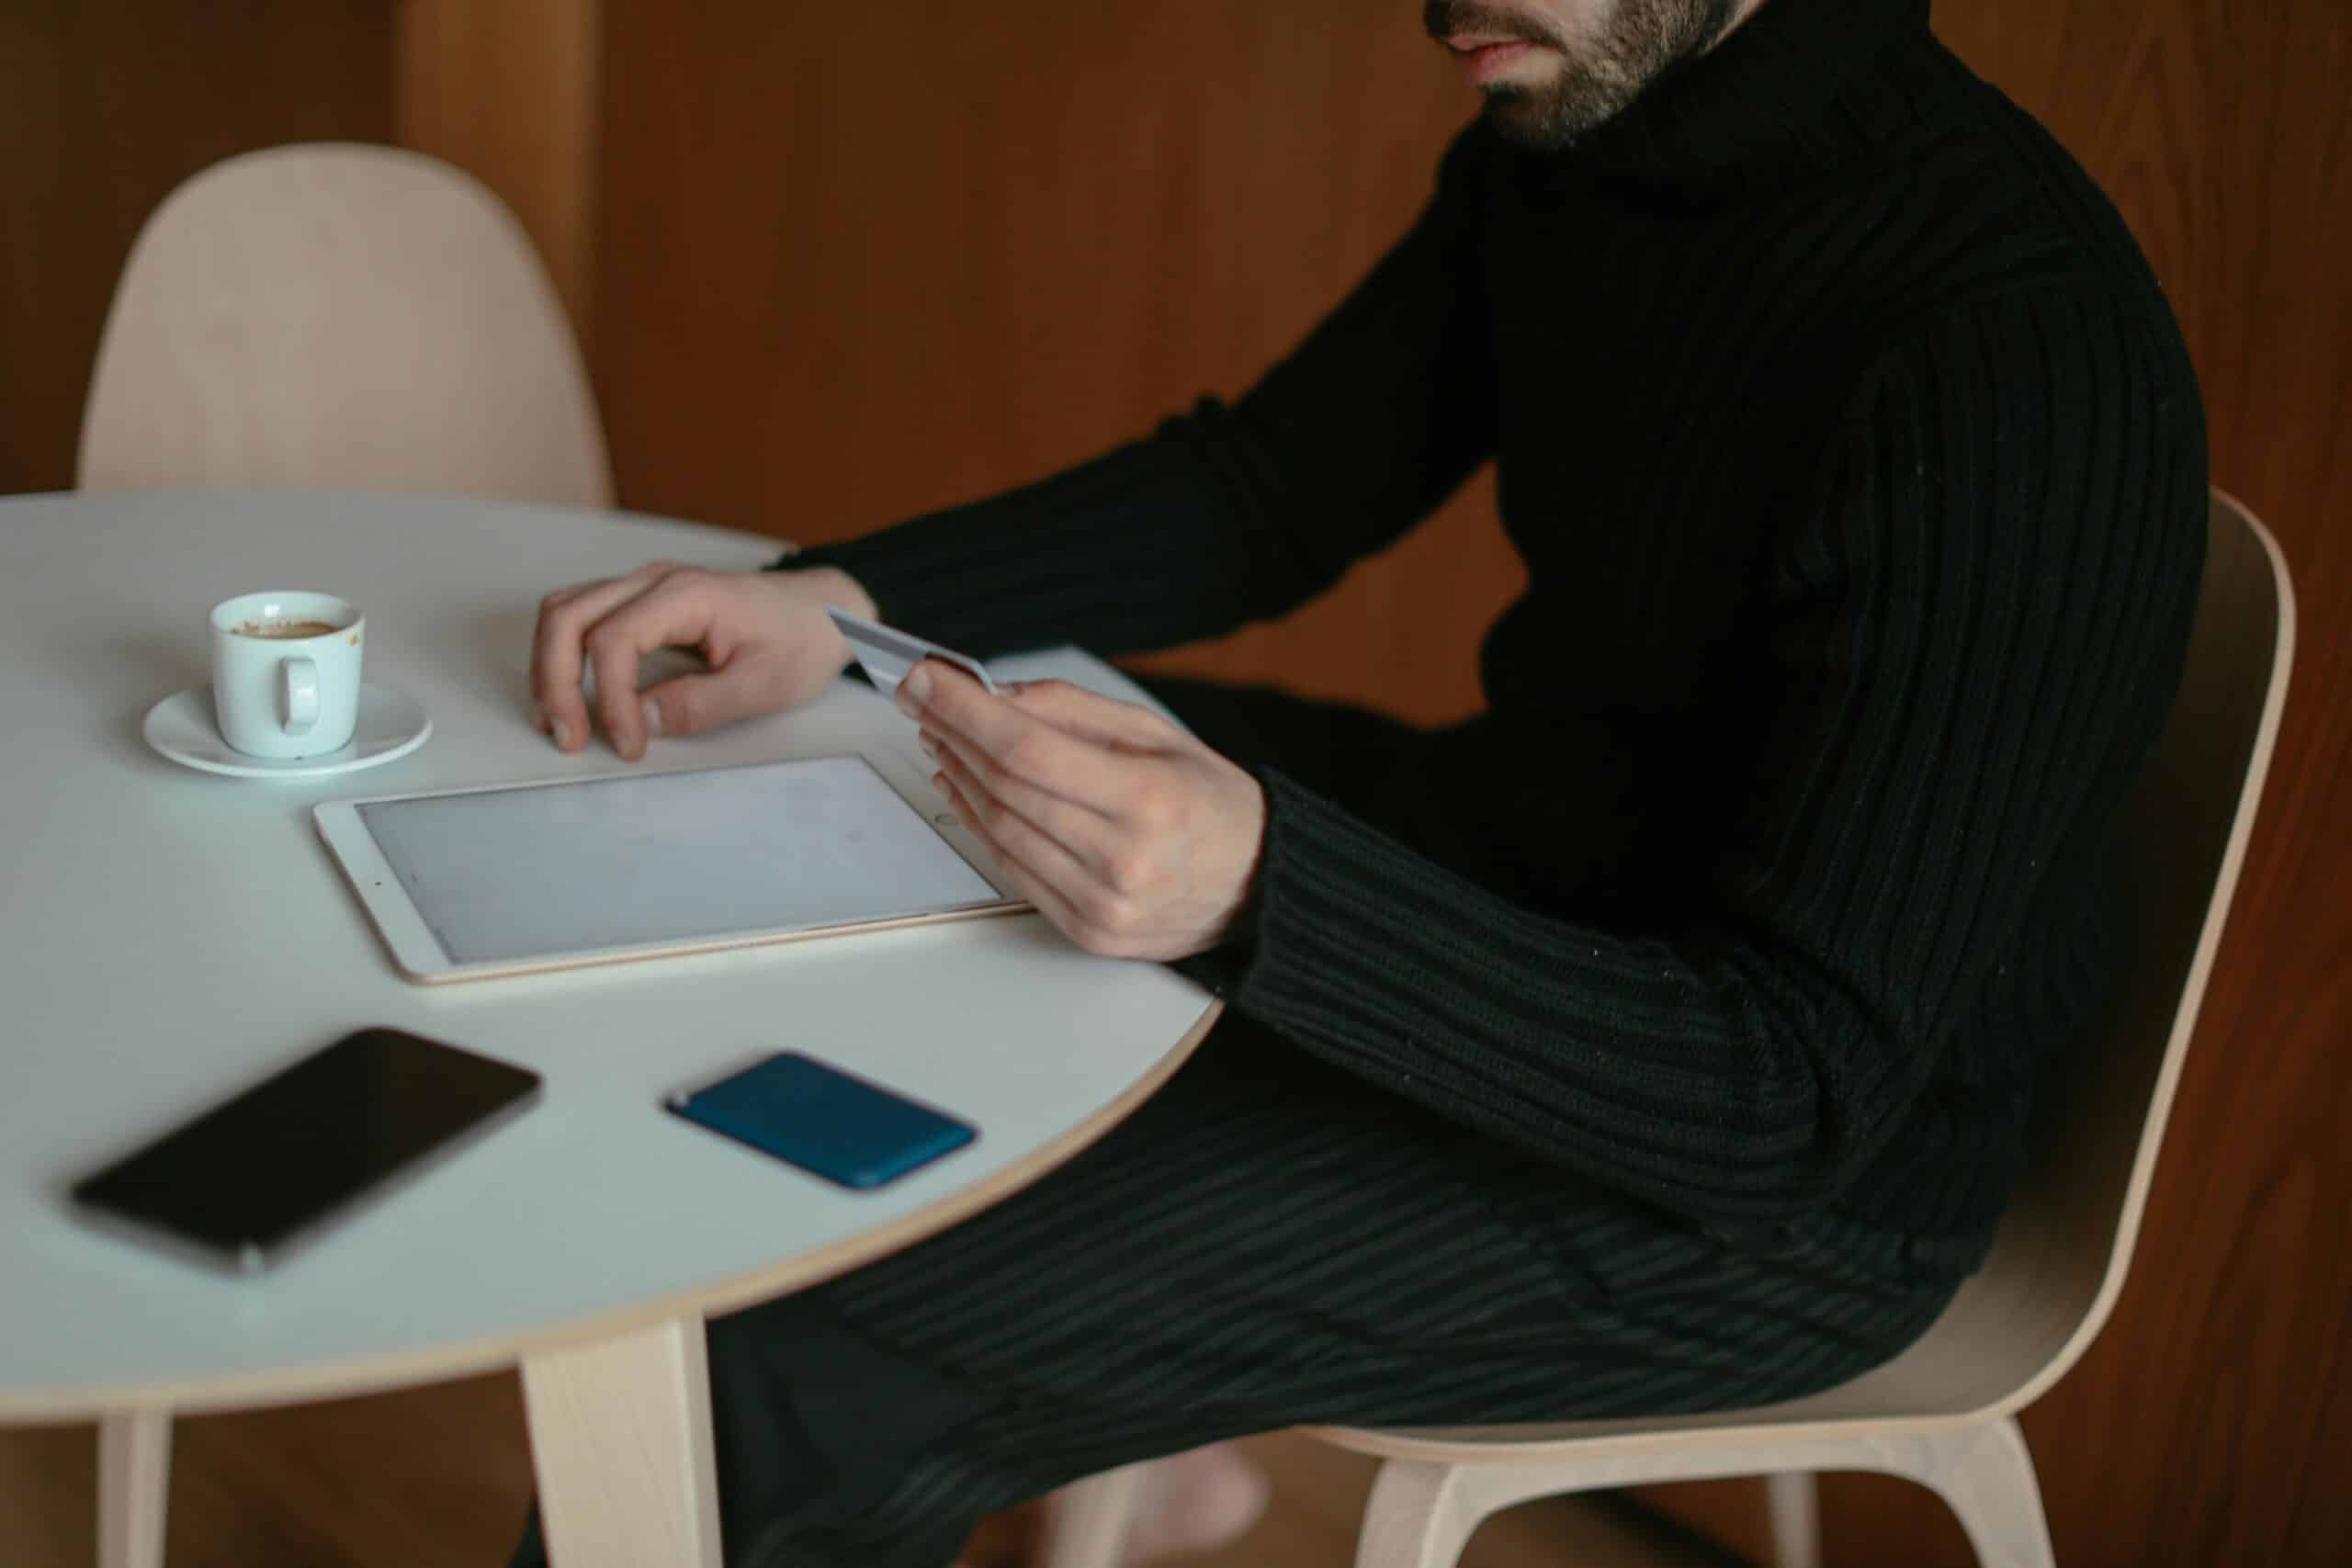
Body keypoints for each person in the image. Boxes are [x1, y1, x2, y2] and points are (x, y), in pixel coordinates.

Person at [515, 0, 2205, 1562]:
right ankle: (1144, 1429)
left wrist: (1264, 889)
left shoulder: (2015, 350)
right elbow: (1275, 486)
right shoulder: (1580, 122)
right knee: (908, 759)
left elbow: (1794, 1094)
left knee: (794, 1336)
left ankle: (1024, 1388)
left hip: (1781, 1184)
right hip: (1526, 876)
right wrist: (848, 607)